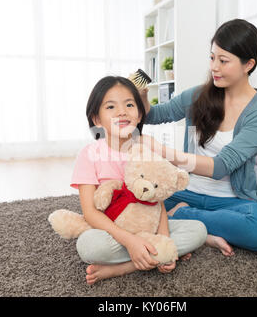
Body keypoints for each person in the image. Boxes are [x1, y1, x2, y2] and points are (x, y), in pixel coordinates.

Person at [138, 19, 257, 257]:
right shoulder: (198, 96)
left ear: (248, 64)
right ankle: (203, 234)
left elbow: (221, 167)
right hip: (185, 192)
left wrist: (163, 151)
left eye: (223, 61)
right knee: (128, 203)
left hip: (230, 201)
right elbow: (154, 115)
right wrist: (143, 97)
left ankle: (182, 218)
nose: (214, 67)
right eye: (212, 58)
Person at [71, 76, 207, 285]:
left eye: (129, 104)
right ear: (96, 119)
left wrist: (164, 240)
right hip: (113, 231)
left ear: (140, 114)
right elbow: (90, 212)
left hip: (148, 226)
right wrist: (130, 241)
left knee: (198, 230)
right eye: (110, 106)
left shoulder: (146, 148)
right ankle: (149, 254)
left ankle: (126, 266)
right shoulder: (89, 154)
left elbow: (157, 199)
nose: (122, 111)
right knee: (89, 246)